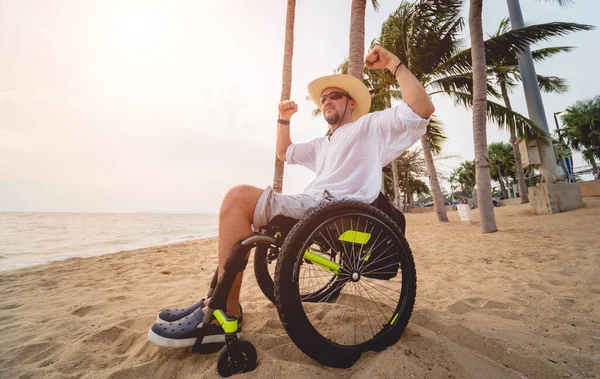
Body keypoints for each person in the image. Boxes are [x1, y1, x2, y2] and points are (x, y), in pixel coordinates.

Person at [147, 45, 435, 349]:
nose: (326, 101)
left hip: (334, 209)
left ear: (351, 103)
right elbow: (284, 152)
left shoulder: (369, 127)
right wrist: (284, 119)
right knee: (241, 207)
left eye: (333, 96)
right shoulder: (324, 145)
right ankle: (215, 300)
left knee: (238, 198)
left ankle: (224, 314)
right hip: (313, 206)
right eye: (322, 98)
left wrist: (393, 63)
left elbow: (422, 109)